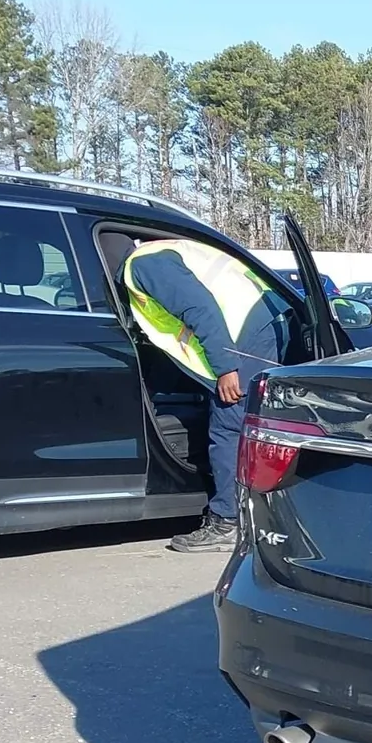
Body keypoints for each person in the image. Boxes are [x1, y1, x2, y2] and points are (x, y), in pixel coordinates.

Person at [99, 233, 287, 553]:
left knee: (229, 425)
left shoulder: (143, 265)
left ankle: (228, 522)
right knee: (242, 421)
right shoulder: (158, 253)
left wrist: (226, 368)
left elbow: (201, 309)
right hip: (261, 318)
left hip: (244, 334)